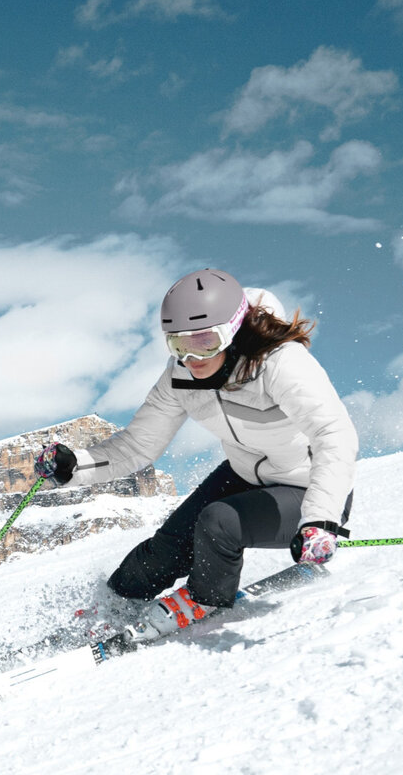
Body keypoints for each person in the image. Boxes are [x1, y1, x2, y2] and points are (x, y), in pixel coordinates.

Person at [34, 267, 357, 640]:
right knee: (162, 551)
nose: (192, 358)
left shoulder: (280, 362)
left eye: (205, 342)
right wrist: (76, 465)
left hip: (308, 488)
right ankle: (111, 609)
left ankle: (205, 600)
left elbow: (334, 435)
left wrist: (321, 519)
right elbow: (139, 445)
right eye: (178, 345)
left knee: (218, 522)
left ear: (234, 329)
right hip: (244, 474)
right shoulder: (180, 377)